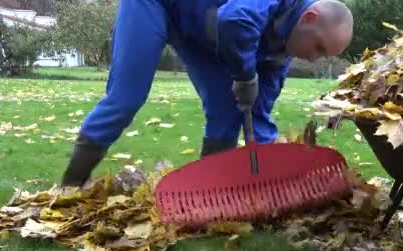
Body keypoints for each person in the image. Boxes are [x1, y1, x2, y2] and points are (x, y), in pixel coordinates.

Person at [61, 0, 354, 187]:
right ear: (310, 17)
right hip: (154, 6)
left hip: (198, 31)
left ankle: (208, 191)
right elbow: (234, 20)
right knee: (127, 97)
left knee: (228, 111)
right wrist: (244, 74)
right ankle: (71, 184)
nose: (314, 59)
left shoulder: (283, 51)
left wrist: (270, 170)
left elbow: (259, 111)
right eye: (318, 47)